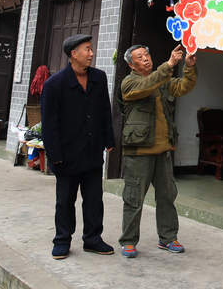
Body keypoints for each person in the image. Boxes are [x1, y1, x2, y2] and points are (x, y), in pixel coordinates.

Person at [117, 43, 197, 258]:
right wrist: (170, 63)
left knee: (167, 196)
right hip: (139, 152)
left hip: (163, 151)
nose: (146, 59)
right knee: (134, 198)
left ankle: (168, 238)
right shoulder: (129, 83)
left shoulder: (160, 79)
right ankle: (128, 241)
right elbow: (147, 85)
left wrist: (188, 67)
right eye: (140, 57)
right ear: (131, 64)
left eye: (147, 54)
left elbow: (182, 87)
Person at [41, 34, 116, 260]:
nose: (91, 53)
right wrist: (55, 156)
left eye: (91, 49)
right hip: (67, 154)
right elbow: (50, 124)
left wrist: (109, 140)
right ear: (74, 54)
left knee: (94, 200)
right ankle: (62, 240)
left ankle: (93, 239)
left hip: (92, 151)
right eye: (87, 49)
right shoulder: (54, 84)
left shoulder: (99, 78)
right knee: (65, 201)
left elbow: (105, 111)